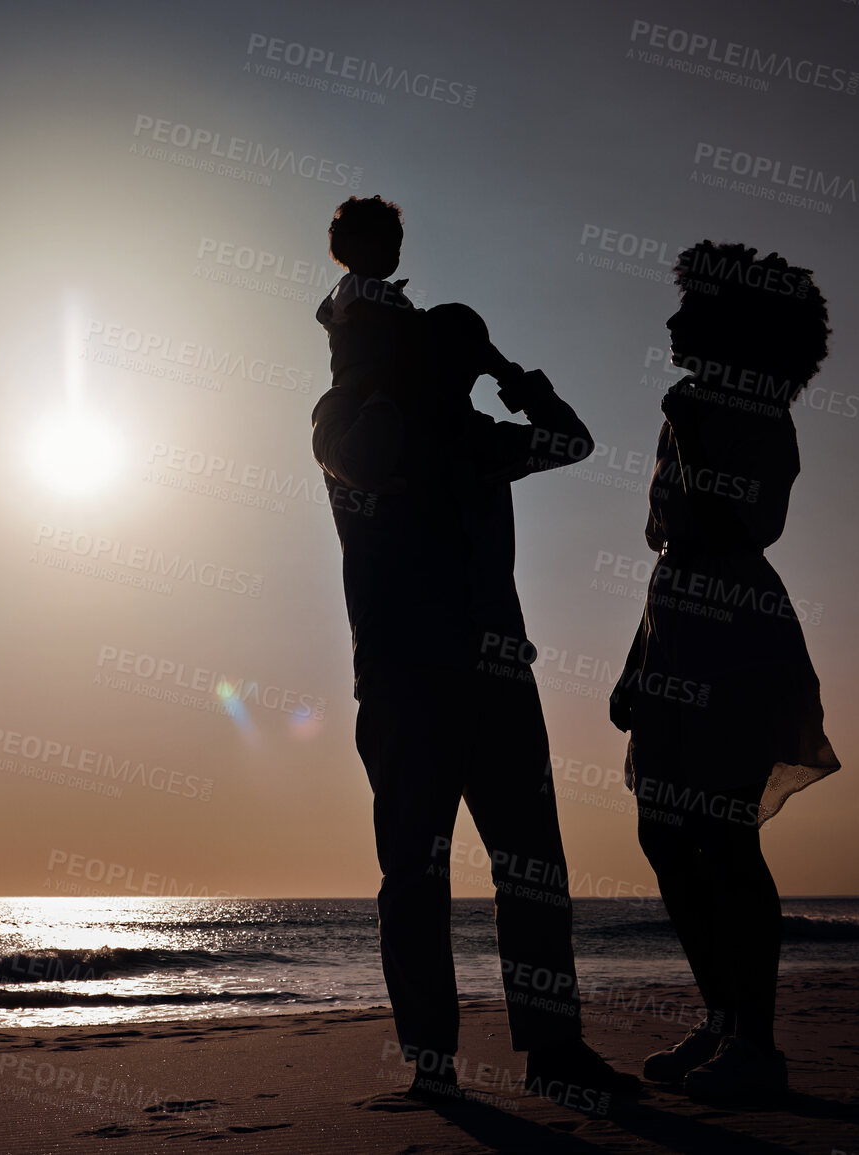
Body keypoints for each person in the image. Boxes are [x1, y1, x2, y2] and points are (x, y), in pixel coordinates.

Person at [312, 195, 638, 1109]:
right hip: (407, 675)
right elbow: (370, 450)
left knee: (531, 869)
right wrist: (391, 348)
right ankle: (432, 1061)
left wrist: (504, 371)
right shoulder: (350, 419)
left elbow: (571, 439)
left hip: (496, 672)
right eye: (450, 361)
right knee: (415, 873)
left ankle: (554, 1051)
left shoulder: (476, 438)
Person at [608, 240, 839, 1106]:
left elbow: (729, 528)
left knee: (723, 835)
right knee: (663, 834)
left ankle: (757, 1042)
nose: (670, 322)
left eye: (688, 310)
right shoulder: (690, 409)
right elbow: (670, 551)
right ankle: (721, 1016)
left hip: (736, 632)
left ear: (724, 327)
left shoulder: (749, 415)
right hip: (675, 627)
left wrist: (697, 432)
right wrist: (637, 662)